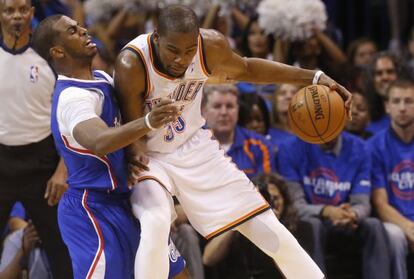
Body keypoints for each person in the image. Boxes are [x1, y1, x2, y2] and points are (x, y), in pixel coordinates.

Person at [114, 5, 352, 279]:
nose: (182, 59)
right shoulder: (132, 63)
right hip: (150, 154)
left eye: (189, 50)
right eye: (173, 50)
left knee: (268, 228)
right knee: (155, 223)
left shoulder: (210, 45)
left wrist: (314, 76)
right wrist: (135, 156)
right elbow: (134, 133)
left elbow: (249, 68)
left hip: (194, 147)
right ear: (155, 36)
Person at [32, 14, 186, 278]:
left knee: (176, 273)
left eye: (79, 25)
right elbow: (100, 142)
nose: (83, 30)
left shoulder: (101, 78)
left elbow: (125, 122)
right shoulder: (72, 98)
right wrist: (148, 122)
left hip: (123, 199)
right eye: (72, 30)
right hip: (92, 210)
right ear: (57, 51)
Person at [0, 0, 72, 277]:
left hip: (43, 167)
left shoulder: (51, 58)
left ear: (31, 13)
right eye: (9, 10)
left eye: (22, 10)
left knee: (61, 247)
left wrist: (62, 170)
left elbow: (69, 119)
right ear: (1, 15)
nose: (16, 16)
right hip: (2, 162)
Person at [277, 132, 391, 278]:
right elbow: (295, 206)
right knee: (312, 225)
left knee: (373, 225)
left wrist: (352, 214)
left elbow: (362, 203)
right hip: (313, 220)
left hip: (346, 220)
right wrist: (326, 211)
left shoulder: (361, 148)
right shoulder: (289, 148)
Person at [370, 79, 414, 279]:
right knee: (394, 236)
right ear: (387, 106)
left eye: (408, 101)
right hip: (395, 222)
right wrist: (408, 227)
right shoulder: (374, 146)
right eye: (396, 101)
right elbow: (380, 203)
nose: (402, 108)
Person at [202, 84, 275, 178]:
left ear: (238, 110)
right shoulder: (192, 146)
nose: (224, 112)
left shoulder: (261, 146)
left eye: (229, 106)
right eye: (217, 106)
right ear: (204, 111)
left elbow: (266, 188)